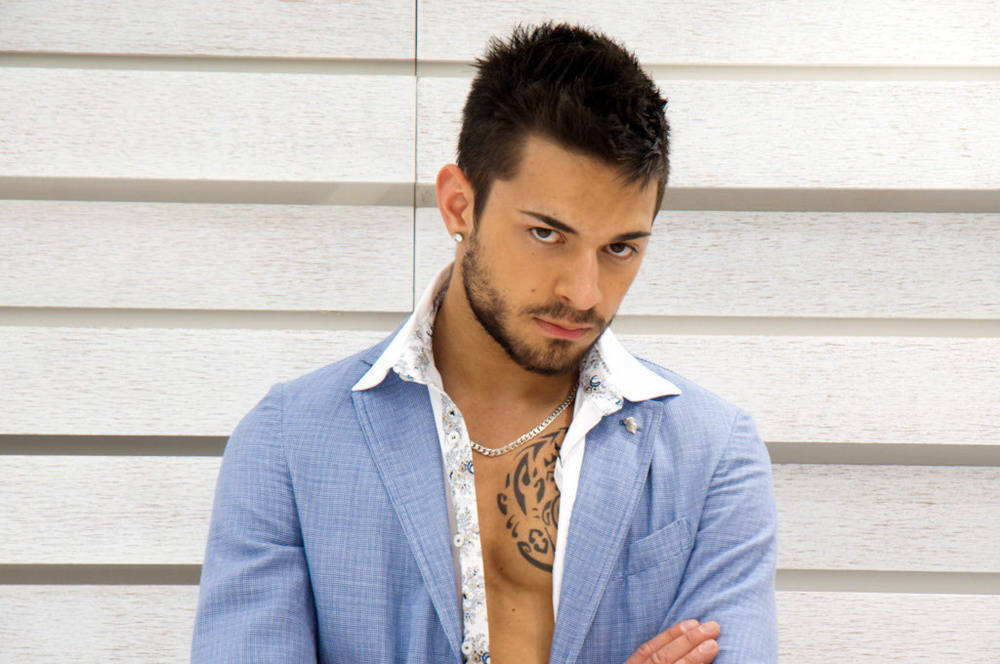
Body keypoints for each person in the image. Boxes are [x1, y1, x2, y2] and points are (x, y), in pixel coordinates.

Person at [191, 21, 777, 664]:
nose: (585, 293)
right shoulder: (288, 441)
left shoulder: (712, 452)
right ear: (459, 205)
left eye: (619, 248)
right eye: (547, 234)